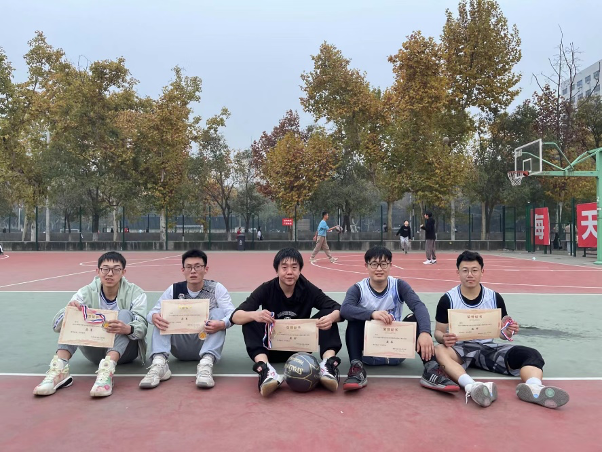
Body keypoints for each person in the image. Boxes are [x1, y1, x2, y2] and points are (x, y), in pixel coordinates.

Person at [433, 250, 569, 409]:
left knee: (531, 354)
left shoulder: (494, 297)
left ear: (482, 271)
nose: (470, 275)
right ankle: (472, 386)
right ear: (458, 272)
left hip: (488, 349)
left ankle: (534, 388)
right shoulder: (448, 299)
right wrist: (444, 338)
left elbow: (503, 332)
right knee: (439, 350)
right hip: (460, 349)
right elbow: (438, 332)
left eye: (474, 270)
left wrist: (509, 330)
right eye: (465, 270)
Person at [340, 245, 458, 392]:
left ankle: (431, 368)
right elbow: (345, 309)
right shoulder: (358, 289)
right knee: (354, 320)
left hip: (396, 351)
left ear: (390, 265)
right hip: (369, 353)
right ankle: (357, 367)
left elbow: (419, 306)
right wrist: (372, 314)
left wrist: (425, 332)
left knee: (414, 318)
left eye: (384, 264)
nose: (379, 269)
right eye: (374, 264)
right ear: (366, 266)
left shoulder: (398, 285)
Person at [34, 251, 148, 398]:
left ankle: (107, 372)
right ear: (98, 271)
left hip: (126, 353)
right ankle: (59, 369)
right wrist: (69, 311)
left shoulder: (136, 293)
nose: (110, 274)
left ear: (123, 272)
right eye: (105, 269)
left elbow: (142, 327)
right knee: (75, 312)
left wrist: (128, 329)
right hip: (94, 351)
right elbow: (56, 326)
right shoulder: (85, 292)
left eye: (116, 269)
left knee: (124, 314)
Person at [231, 248, 343, 396]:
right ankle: (266, 370)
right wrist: (255, 315)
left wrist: (330, 318)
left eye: (294, 267)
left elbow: (339, 309)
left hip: (301, 349)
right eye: (284, 267)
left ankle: (327, 366)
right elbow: (235, 316)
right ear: (276, 270)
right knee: (249, 319)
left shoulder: (307, 288)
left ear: (300, 270)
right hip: (271, 349)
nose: (289, 272)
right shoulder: (267, 289)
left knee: (328, 315)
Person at [140, 249, 235, 390]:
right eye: (189, 267)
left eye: (198, 266)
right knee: (161, 315)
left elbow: (232, 314)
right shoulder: (174, 289)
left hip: (204, 342)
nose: (193, 271)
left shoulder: (216, 288)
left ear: (206, 269)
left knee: (219, 313)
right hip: (180, 346)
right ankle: (159, 363)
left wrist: (222, 324)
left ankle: (206, 365)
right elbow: (152, 313)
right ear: (183, 270)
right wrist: (154, 317)